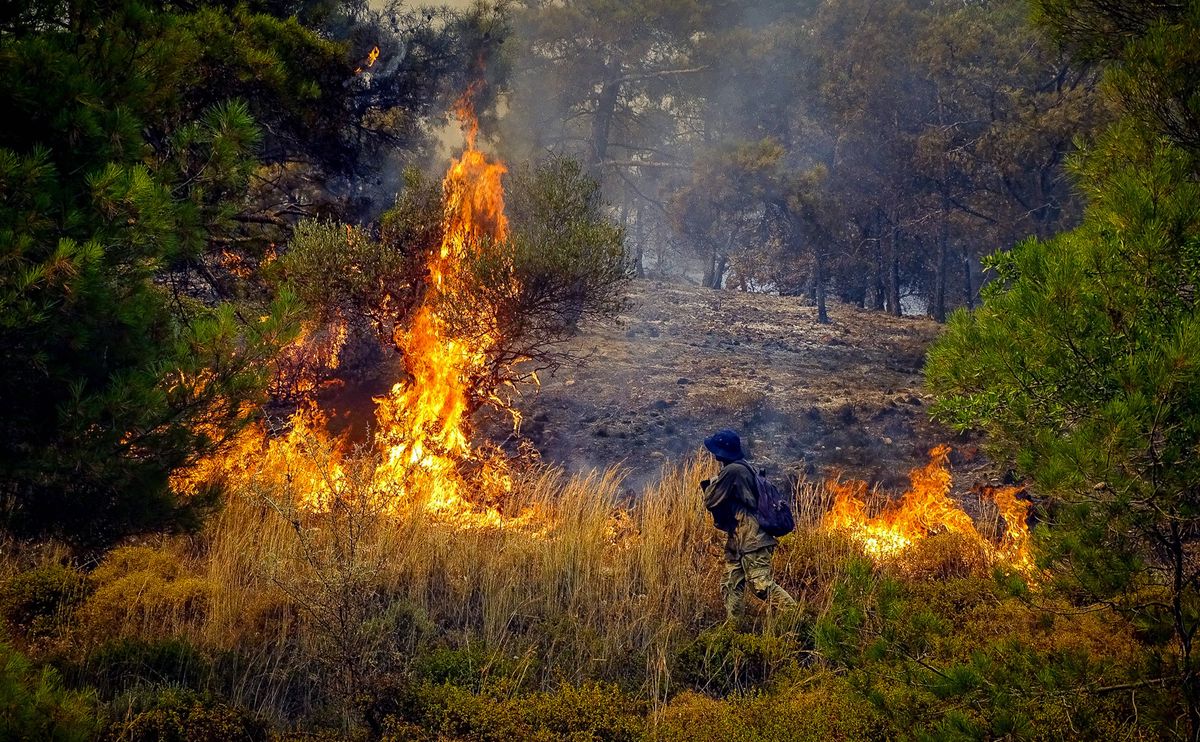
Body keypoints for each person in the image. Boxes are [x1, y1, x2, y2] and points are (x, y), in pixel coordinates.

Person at [701, 429, 797, 621]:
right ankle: (735, 630)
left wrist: (712, 482)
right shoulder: (743, 467)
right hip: (740, 538)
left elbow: (710, 500)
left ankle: (799, 618)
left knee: (761, 585)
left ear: (722, 452)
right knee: (731, 584)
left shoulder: (732, 471)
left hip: (753, 538)